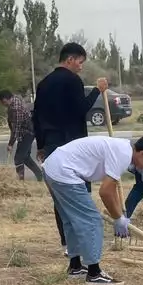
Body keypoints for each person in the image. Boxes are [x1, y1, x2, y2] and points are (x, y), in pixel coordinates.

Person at [43, 133, 143, 285]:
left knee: (71, 219)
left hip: (52, 167)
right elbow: (105, 192)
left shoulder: (122, 148)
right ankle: (94, 274)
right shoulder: (123, 154)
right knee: (92, 220)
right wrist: (118, 219)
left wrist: (119, 214)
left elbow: (112, 187)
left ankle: (75, 266)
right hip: (64, 172)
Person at [33, 42, 108, 252]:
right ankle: (82, 242)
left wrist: (41, 145)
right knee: (79, 194)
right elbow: (80, 110)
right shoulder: (72, 80)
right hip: (73, 145)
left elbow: (36, 117)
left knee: (60, 194)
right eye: (80, 62)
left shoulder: (43, 84)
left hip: (51, 145)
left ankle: (67, 243)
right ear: (70, 60)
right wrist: (97, 91)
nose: (81, 67)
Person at [0, 90, 43, 182]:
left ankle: (20, 182)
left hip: (27, 133)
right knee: (25, 157)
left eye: (4, 102)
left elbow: (16, 129)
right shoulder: (14, 101)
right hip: (25, 132)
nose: (4, 104)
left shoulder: (16, 108)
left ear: (6, 99)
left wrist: (11, 144)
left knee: (18, 159)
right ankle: (40, 175)